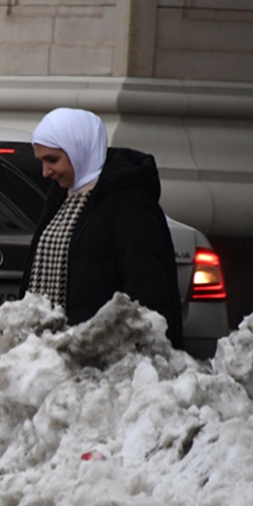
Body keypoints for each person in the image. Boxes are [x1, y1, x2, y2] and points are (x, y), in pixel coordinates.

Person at [22, 107, 183, 349]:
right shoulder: (63, 196)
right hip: (52, 353)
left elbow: (147, 291)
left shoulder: (128, 202)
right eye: (41, 161)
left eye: (52, 160)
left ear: (79, 149)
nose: (46, 172)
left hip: (102, 357)